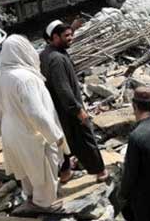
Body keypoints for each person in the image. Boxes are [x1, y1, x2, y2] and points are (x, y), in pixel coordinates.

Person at [0, 35, 68, 213]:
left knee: (26, 167)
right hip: (30, 131)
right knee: (43, 168)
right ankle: (43, 204)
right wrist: (55, 136)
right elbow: (36, 114)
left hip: (10, 128)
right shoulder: (25, 78)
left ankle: (31, 196)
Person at [40, 21, 108, 183]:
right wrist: (78, 110)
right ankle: (99, 171)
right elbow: (63, 88)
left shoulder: (46, 54)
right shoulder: (56, 59)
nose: (71, 38)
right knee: (85, 139)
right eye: (67, 36)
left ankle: (65, 172)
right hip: (68, 109)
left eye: (71, 34)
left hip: (56, 108)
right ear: (54, 37)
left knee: (62, 141)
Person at [117, 86, 150, 221]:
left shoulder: (136, 136)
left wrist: (122, 195)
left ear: (133, 105)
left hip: (143, 199)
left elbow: (130, 172)